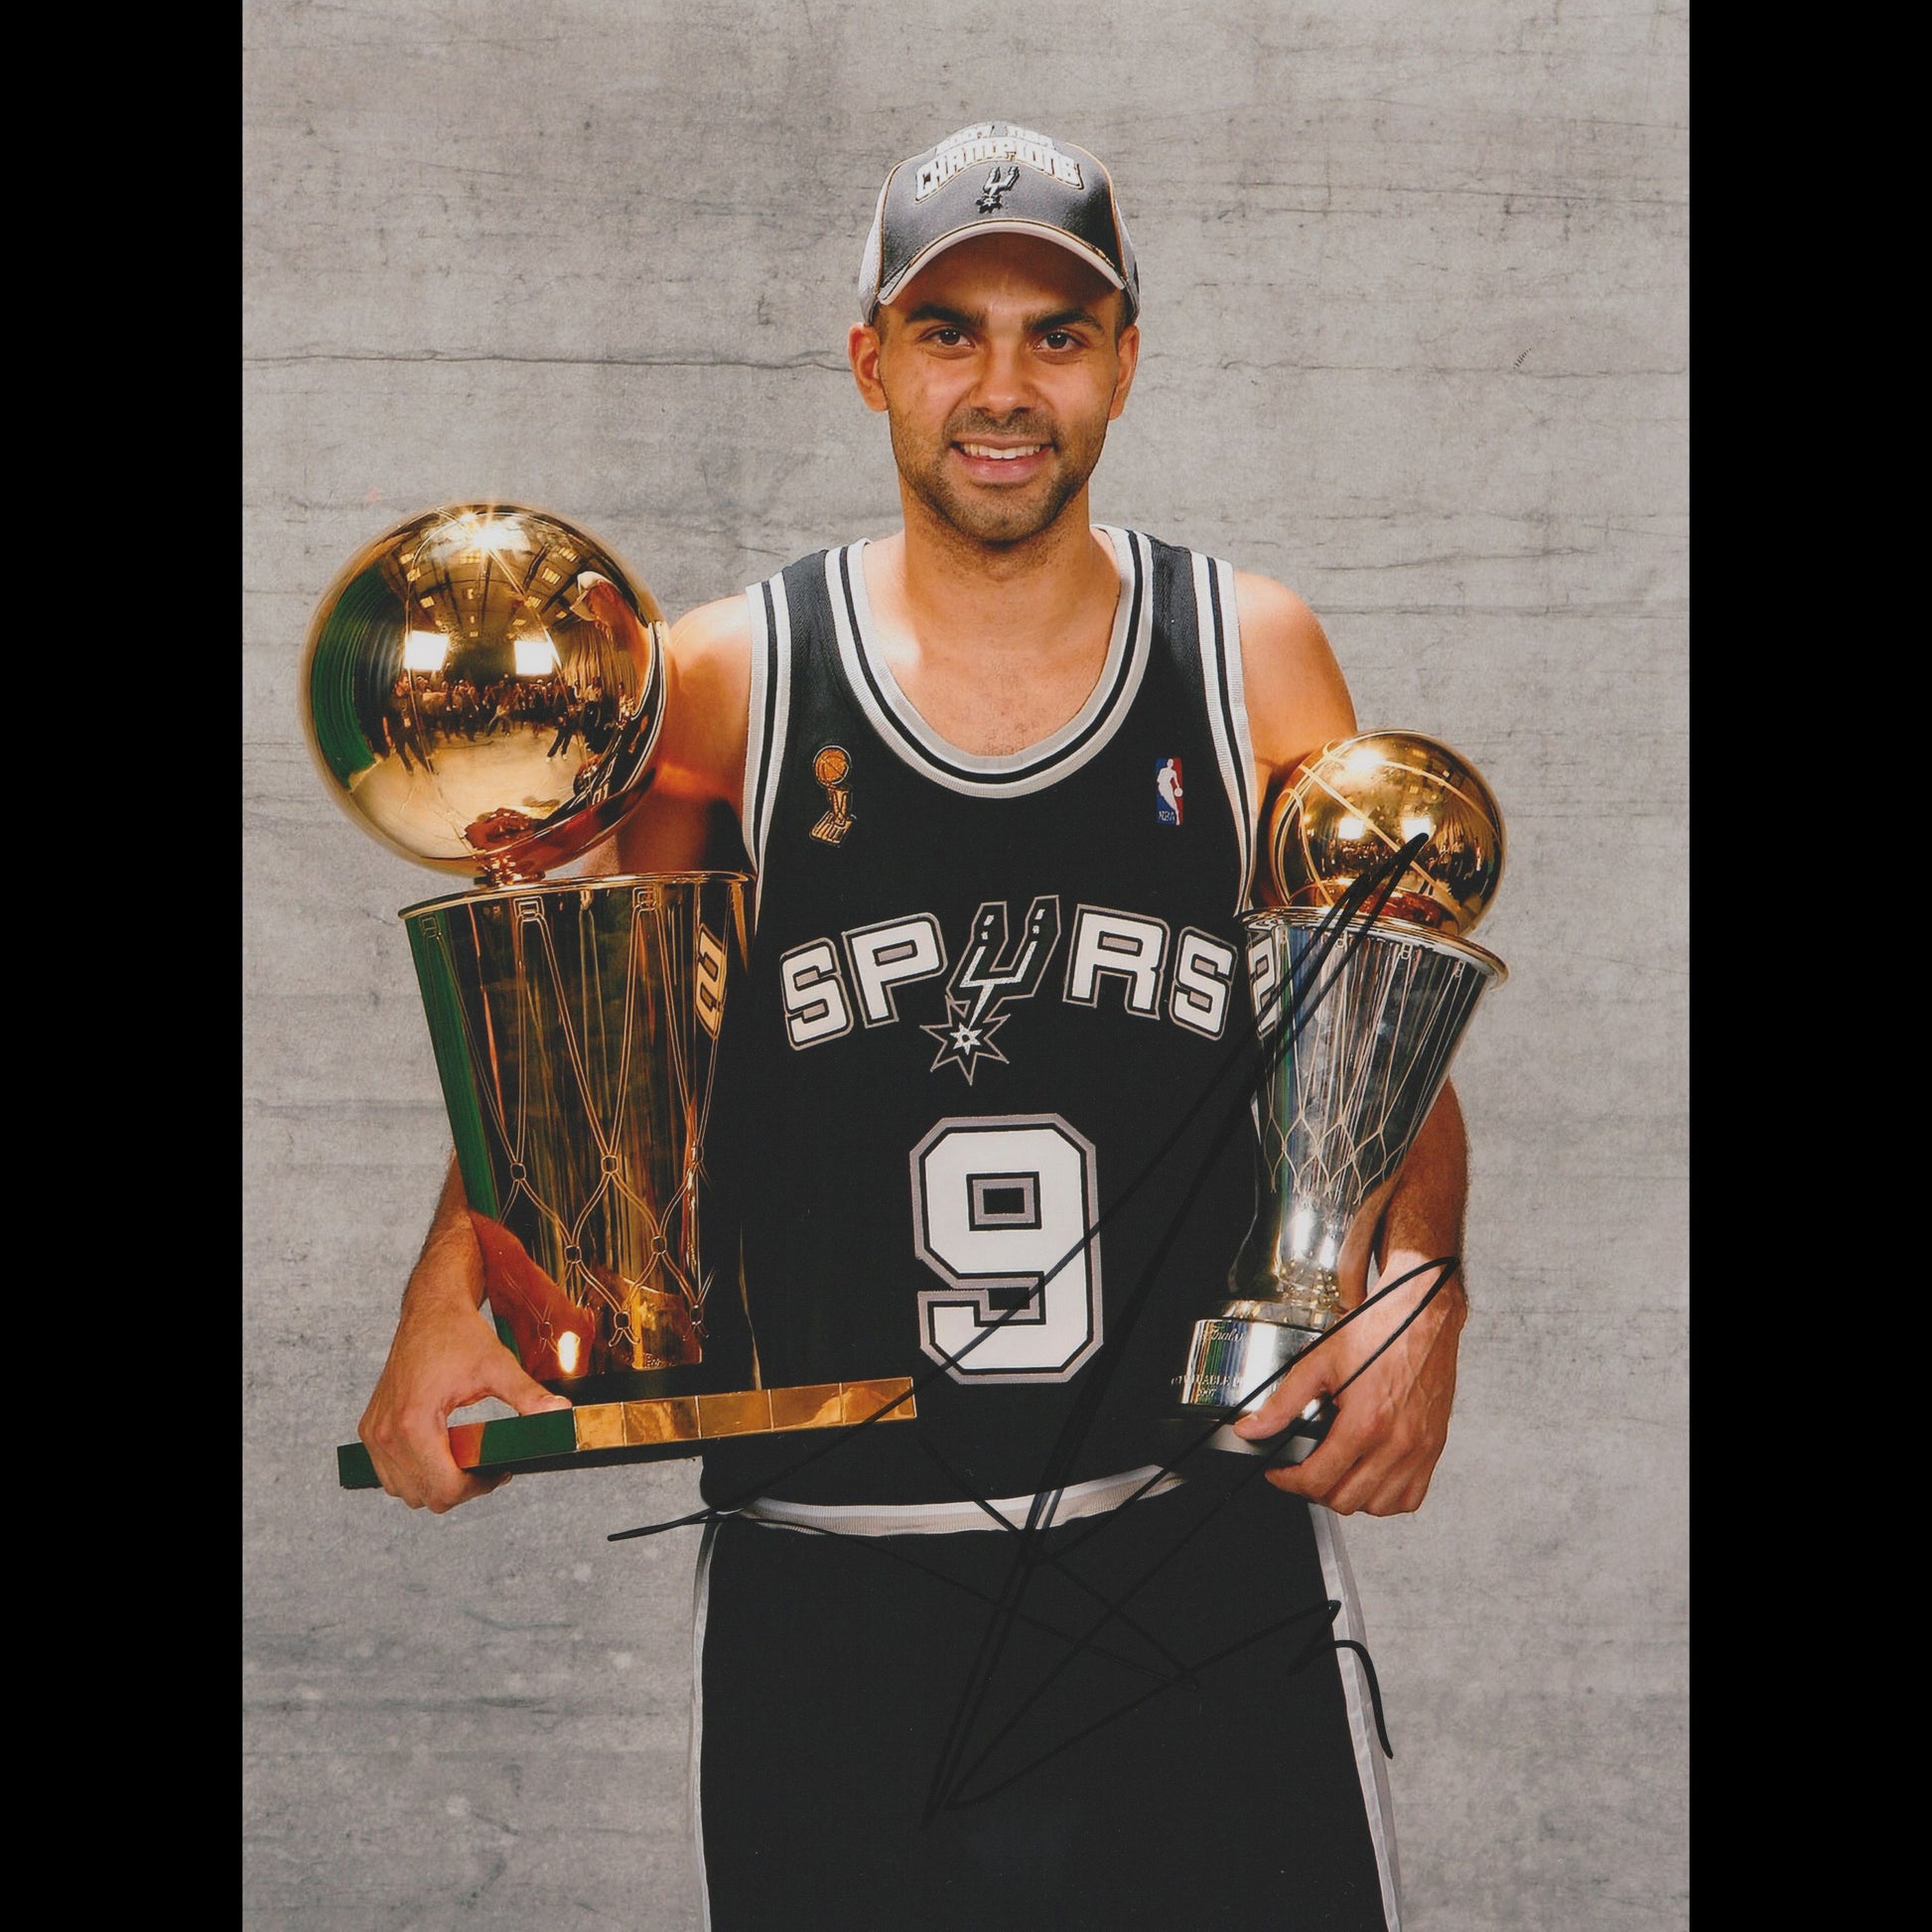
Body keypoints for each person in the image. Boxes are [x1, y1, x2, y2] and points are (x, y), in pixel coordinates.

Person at [357, 120, 1470, 1930]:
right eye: (950, 331)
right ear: (868, 357)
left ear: (1121, 358)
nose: (1003, 385)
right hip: (835, 1592)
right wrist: (450, 1300)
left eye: (1055, 330)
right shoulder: (728, 676)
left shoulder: (1246, 650)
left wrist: (1423, 1274)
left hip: (1194, 1571)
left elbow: (1378, 1021)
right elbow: (596, 1063)